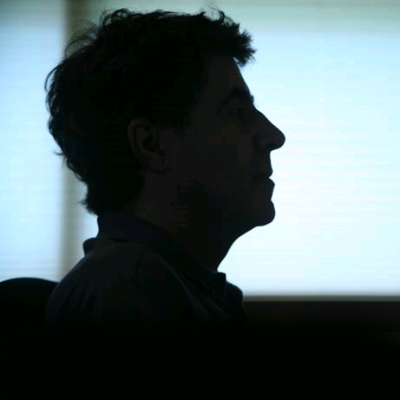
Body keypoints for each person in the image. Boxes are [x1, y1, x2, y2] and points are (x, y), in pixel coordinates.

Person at [43, 7, 286, 349]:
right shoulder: (130, 291)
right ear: (151, 145)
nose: (274, 136)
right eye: (237, 113)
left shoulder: (166, 285)